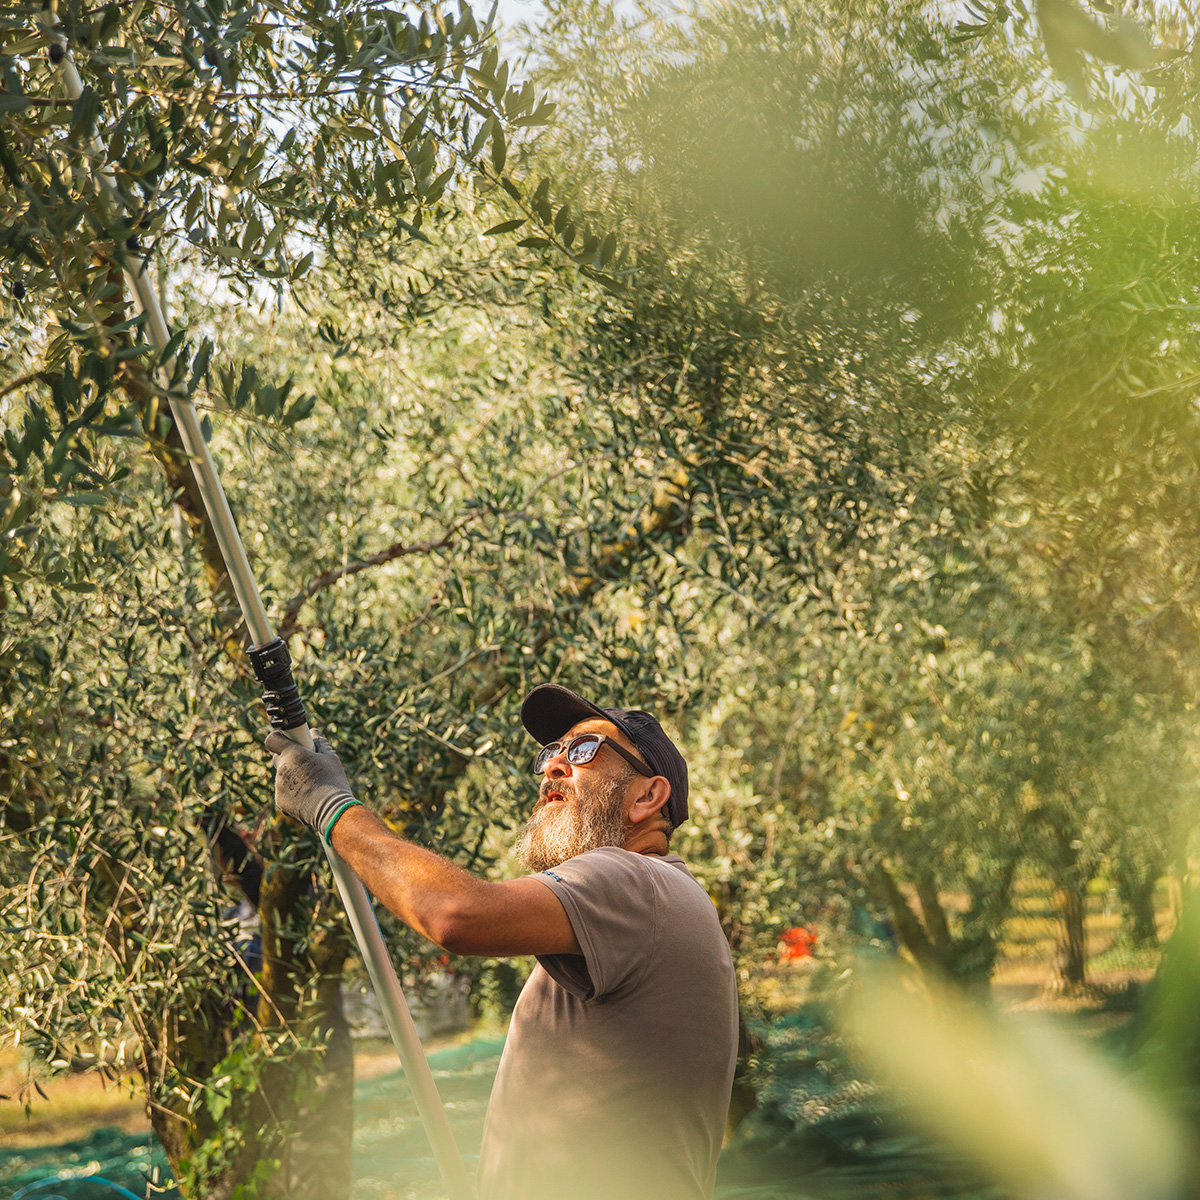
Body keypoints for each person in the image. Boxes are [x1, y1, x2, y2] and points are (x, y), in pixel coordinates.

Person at [267, 682, 739, 1200]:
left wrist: (333, 808)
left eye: (583, 750)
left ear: (647, 797)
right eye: (551, 753)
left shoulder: (635, 882)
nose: (554, 767)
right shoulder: (652, 905)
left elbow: (457, 915)